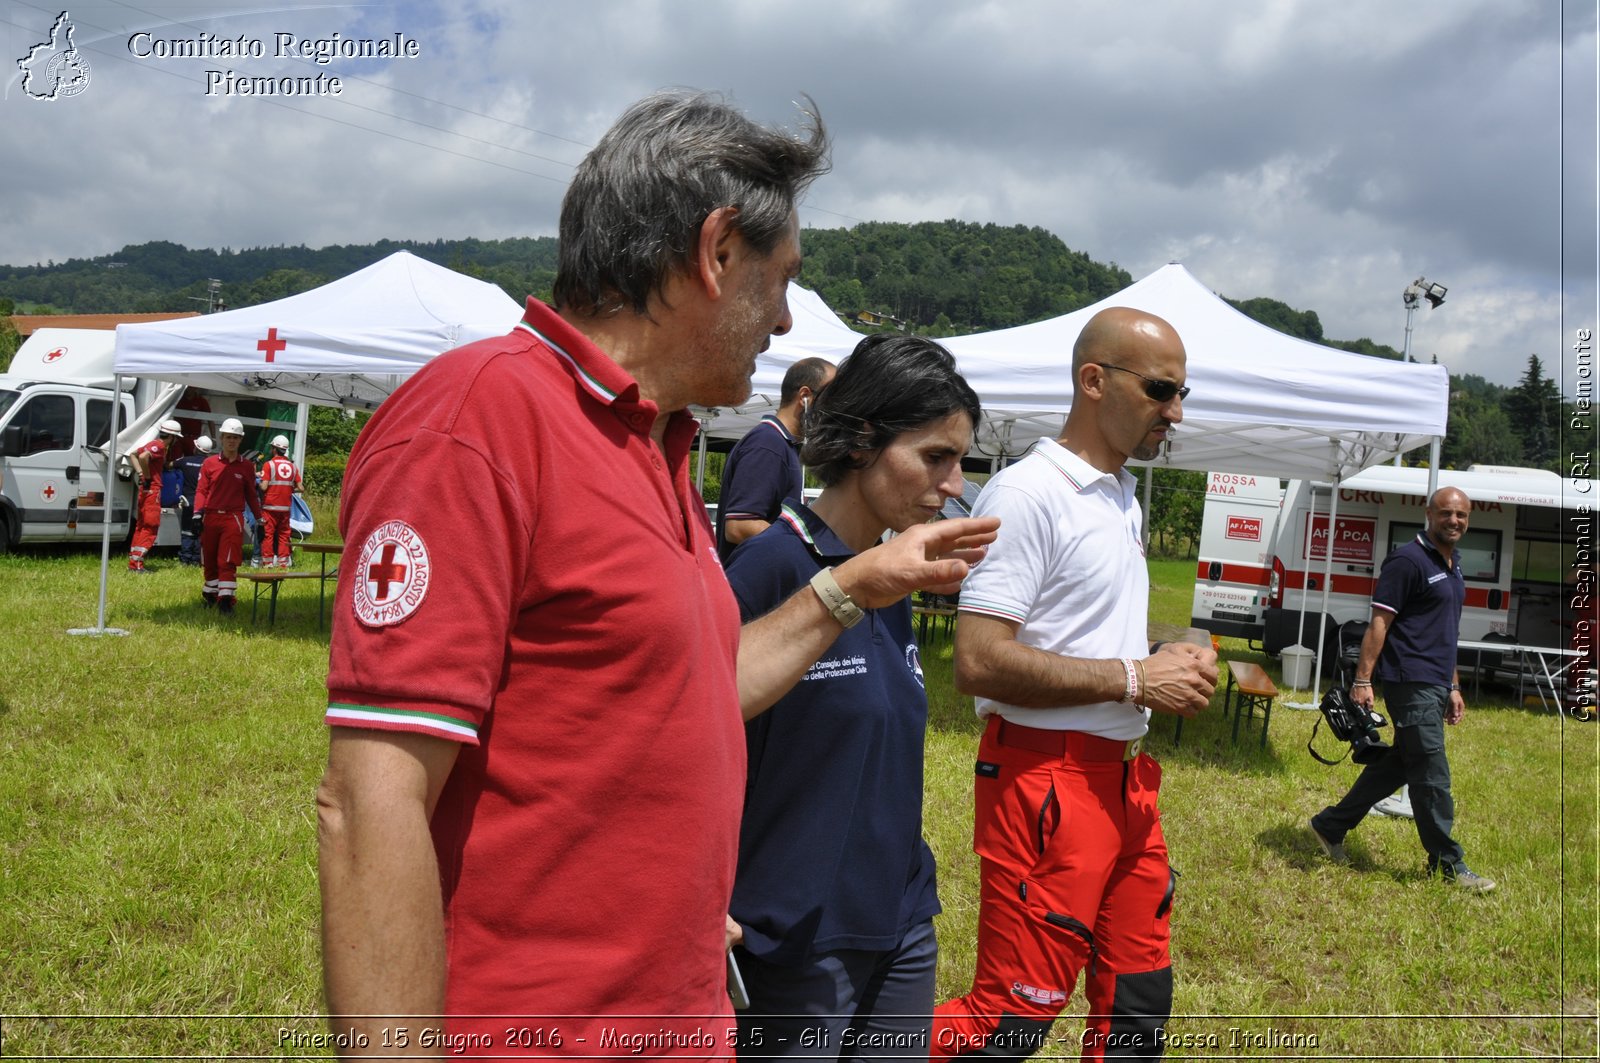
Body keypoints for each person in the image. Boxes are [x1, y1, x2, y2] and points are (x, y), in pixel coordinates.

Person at [315, 89, 999, 1058]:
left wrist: (859, 584)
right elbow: (370, 799)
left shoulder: (653, 443)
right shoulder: (478, 421)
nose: (788, 313)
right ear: (717, 254)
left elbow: (695, 691)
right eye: (782, 275)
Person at [933, 308, 1218, 1062]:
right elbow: (978, 661)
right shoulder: (1027, 494)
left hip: (1120, 787)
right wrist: (1134, 675)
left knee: (1136, 1010)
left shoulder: (1120, 494)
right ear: (1093, 380)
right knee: (1008, 1022)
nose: (1177, 412)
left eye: (1183, 391)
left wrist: (1164, 656)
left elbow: (1079, 636)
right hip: (1043, 781)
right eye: (1162, 389)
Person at [725, 334, 979, 1058]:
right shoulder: (773, 567)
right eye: (936, 456)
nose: (955, 482)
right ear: (864, 440)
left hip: (898, 922)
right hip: (794, 939)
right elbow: (691, 742)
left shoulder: (894, 575)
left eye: (960, 460)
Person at [1309, 487, 1496, 893]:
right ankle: (1448, 864)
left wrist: (1453, 685)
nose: (1454, 521)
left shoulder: (1453, 563)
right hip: (1408, 681)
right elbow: (1379, 623)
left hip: (1434, 681)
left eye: (1461, 515)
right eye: (1446, 513)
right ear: (1428, 513)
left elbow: (1446, 632)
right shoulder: (1407, 561)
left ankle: (1330, 825)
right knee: (1431, 772)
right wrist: (1362, 680)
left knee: (1403, 763)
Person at [716, 356, 834, 562]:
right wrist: (807, 547)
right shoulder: (767, 444)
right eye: (831, 398)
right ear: (805, 396)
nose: (834, 410)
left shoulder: (782, 444)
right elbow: (739, 526)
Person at [193, 418, 262, 615]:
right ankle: (210, 594)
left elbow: (251, 494)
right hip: (211, 517)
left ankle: (226, 599)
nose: (232, 441)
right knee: (210, 558)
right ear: (221, 438)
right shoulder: (209, 463)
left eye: (236, 438)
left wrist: (260, 519)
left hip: (233, 518)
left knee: (228, 559)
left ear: (241, 440)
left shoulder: (247, 466)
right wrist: (197, 514)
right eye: (228, 437)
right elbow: (201, 491)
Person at [126, 418, 183, 572]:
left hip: (145, 490)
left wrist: (140, 474)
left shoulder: (152, 444)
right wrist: (148, 476)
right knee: (151, 527)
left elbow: (133, 454)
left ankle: (133, 561)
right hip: (153, 490)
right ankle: (138, 564)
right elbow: (143, 457)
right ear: (172, 437)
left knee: (141, 525)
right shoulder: (159, 446)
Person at [258, 433, 303, 568]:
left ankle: (268, 563)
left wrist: (257, 482)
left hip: (270, 507)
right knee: (284, 535)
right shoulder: (293, 467)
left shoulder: (269, 465)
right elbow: (301, 488)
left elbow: (264, 486)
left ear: (274, 449)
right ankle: (283, 562)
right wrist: (288, 489)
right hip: (285, 508)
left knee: (268, 535)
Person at [171, 435, 213, 566]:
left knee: (186, 530)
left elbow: (169, 465)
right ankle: (196, 559)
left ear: (196, 448)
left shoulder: (185, 461)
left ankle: (185, 558)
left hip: (188, 501)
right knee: (199, 530)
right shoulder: (211, 463)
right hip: (204, 503)